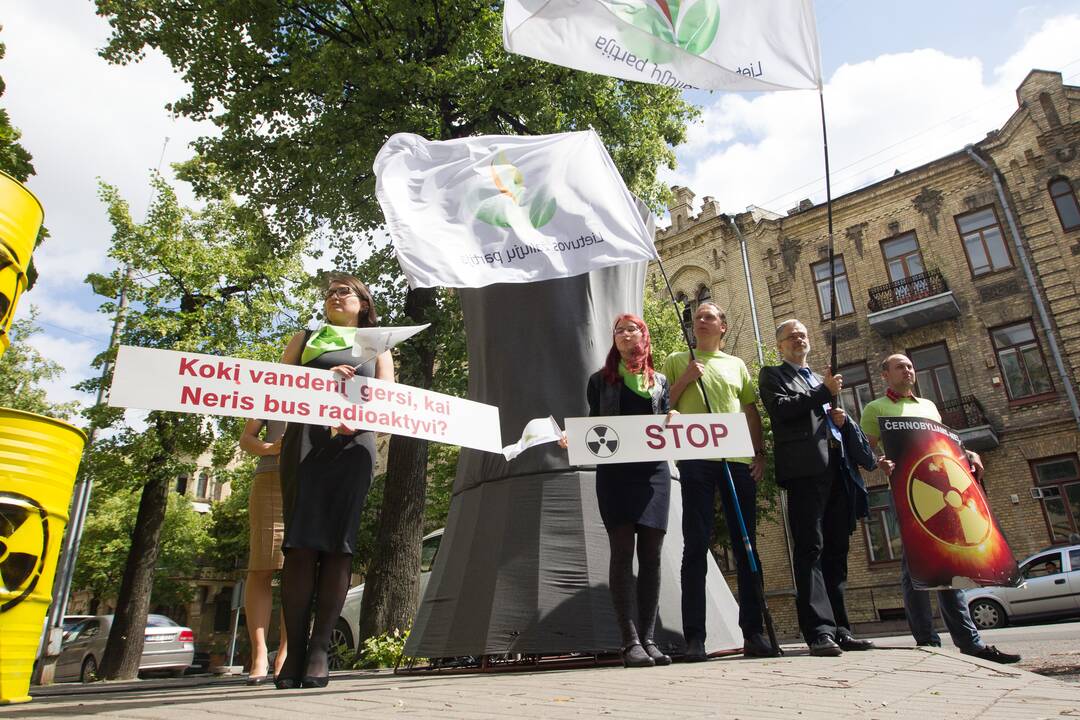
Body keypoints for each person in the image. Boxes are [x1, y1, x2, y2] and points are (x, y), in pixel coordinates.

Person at [274, 273, 394, 689]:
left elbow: (388, 401)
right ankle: (292, 654)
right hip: (305, 443)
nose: (335, 297)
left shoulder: (377, 345)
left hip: (352, 448)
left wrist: (356, 417)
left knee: (339, 547)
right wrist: (323, 383)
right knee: (300, 546)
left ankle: (321, 650)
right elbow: (275, 388)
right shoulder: (304, 337)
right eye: (330, 292)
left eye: (345, 292)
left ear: (363, 304)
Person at [860, 353, 1020, 664]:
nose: (907, 370)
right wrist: (878, 462)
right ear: (885, 376)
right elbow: (866, 447)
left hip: (944, 492)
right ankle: (928, 641)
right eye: (899, 367)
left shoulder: (928, 407)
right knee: (917, 564)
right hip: (912, 493)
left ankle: (969, 642)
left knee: (950, 562)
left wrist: (969, 453)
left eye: (909, 366)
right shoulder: (875, 408)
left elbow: (942, 444)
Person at [758, 319, 877, 657]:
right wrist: (824, 392)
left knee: (837, 551)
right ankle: (818, 631)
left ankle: (841, 628)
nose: (799, 339)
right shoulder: (774, 375)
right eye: (791, 336)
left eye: (803, 334)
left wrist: (840, 418)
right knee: (811, 548)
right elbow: (782, 410)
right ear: (780, 345)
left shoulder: (819, 379)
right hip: (806, 471)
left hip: (839, 468)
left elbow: (826, 413)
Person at [661, 302, 771, 661]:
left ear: (723, 326)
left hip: (736, 461)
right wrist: (684, 380)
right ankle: (695, 638)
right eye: (697, 318)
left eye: (709, 317)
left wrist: (759, 453)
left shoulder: (736, 365)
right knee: (695, 546)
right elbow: (664, 405)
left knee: (746, 545)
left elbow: (750, 410)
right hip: (696, 461)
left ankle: (754, 633)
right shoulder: (679, 359)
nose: (701, 321)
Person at [565, 314, 675, 668]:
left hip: (654, 474)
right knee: (622, 552)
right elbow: (593, 425)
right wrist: (575, 439)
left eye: (633, 329)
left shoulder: (660, 381)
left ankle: (649, 639)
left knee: (653, 554)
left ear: (644, 335)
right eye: (620, 331)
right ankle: (629, 642)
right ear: (614, 340)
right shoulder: (600, 381)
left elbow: (667, 418)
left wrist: (673, 418)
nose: (627, 335)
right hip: (615, 474)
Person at [238, 418, 288, 685]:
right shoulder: (271, 384)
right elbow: (247, 438)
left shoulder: (328, 381)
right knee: (261, 566)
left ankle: (285, 653)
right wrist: (270, 448)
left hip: (312, 480)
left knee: (298, 567)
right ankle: (259, 655)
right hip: (270, 479)